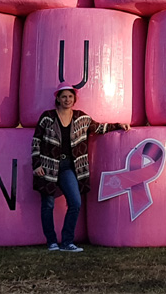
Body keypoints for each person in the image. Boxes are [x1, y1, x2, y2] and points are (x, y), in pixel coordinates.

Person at [32, 84, 128, 252]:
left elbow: (98, 128)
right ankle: (51, 242)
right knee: (48, 205)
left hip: (69, 167)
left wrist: (118, 125)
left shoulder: (81, 118)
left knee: (75, 202)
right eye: (64, 96)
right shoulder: (47, 117)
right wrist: (36, 164)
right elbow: (36, 141)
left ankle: (67, 242)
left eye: (70, 96)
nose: (67, 100)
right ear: (58, 99)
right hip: (48, 166)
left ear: (74, 99)